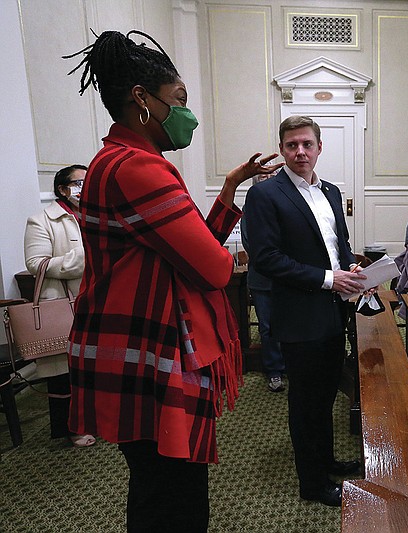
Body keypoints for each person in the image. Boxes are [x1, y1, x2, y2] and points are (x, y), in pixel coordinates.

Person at [63, 30, 281, 532]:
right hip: (148, 352)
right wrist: (223, 250)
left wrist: (229, 186)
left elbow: (191, 250)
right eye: (179, 100)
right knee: (172, 497)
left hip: (129, 344)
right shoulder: (139, 168)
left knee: (158, 486)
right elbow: (214, 268)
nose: (188, 114)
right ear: (142, 98)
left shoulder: (115, 160)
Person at [244, 115, 367, 507]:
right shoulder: (266, 195)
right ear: (282, 149)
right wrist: (331, 279)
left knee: (328, 391)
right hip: (299, 315)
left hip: (334, 311)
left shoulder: (330, 191)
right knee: (306, 401)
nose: (300, 152)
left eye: (307, 144)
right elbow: (265, 259)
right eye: (292, 145)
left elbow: (338, 244)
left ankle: (326, 459)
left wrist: (352, 270)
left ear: (319, 147)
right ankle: (312, 483)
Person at [23, 164, 95, 448]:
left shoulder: (98, 214)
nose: (84, 188)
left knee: (96, 368)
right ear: (62, 189)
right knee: (64, 373)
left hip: (97, 300)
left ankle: (99, 420)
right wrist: (82, 258)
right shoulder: (41, 220)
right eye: (79, 183)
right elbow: (35, 264)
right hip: (63, 305)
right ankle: (72, 428)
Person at [240, 202, 285, 392]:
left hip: (290, 277)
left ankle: (294, 366)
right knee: (267, 326)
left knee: (292, 324)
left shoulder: (287, 202)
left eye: (271, 173)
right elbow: (250, 244)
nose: (267, 176)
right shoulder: (250, 208)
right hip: (262, 279)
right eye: (262, 174)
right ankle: (274, 370)